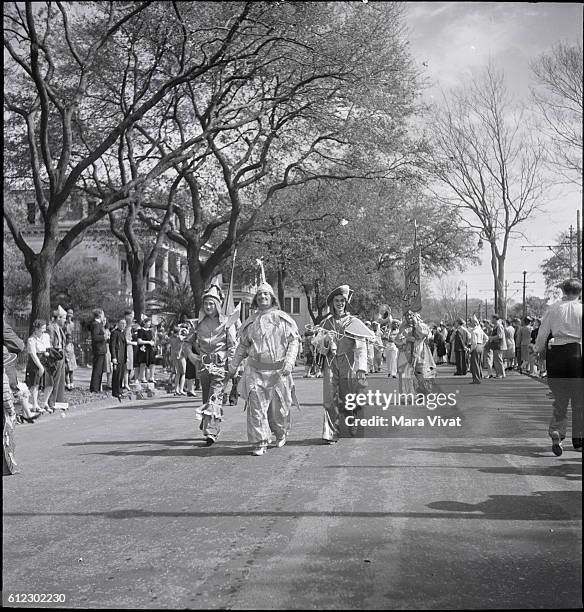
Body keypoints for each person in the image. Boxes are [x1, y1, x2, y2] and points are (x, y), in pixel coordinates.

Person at [227, 280, 300, 455]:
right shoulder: (250, 322)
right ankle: (260, 442)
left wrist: (289, 362)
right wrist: (233, 366)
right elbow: (242, 346)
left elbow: (293, 341)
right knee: (256, 407)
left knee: (278, 410)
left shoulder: (283, 319)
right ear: (255, 300)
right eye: (259, 295)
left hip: (278, 372)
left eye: (266, 294)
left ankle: (280, 432)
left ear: (272, 298)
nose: (262, 297)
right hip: (255, 372)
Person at [312, 285, 367, 444]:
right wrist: (326, 340)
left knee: (348, 396)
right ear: (332, 303)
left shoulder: (353, 322)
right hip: (331, 362)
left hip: (348, 363)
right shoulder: (325, 323)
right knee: (330, 398)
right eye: (337, 300)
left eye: (342, 300)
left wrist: (361, 368)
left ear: (346, 302)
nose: (340, 303)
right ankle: (331, 432)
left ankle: (352, 418)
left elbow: (361, 346)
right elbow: (318, 348)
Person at [535, 278, 582, 455]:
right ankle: (578, 440)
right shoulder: (581, 309)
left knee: (560, 399)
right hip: (577, 353)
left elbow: (542, 333)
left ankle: (557, 432)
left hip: (557, 355)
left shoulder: (553, 308)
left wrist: (538, 349)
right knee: (579, 401)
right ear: (579, 293)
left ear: (563, 291)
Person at [194, 285, 237, 445]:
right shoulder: (198, 323)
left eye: (211, 304)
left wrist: (232, 366)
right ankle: (207, 421)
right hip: (204, 367)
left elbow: (232, 345)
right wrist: (192, 355)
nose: (208, 307)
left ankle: (211, 431)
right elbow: (186, 342)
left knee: (214, 397)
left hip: (220, 366)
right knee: (207, 397)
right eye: (206, 304)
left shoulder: (226, 322)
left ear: (217, 305)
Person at [395, 310, 436, 396]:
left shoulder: (422, 326)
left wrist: (416, 324)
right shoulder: (403, 328)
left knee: (423, 375)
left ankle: (422, 390)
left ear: (416, 316)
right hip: (407, 355)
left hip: (421, 355)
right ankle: (409, 395)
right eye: (407, 316)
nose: (409, 317)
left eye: (411, 315)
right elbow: (397, 341)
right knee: (407, 376)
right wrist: (406, 340)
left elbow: (427, 334)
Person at [47, 306, 67, 411]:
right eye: (64, 318)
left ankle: (58, 401)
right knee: (54, 380)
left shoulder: (60, 329)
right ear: (58, 317)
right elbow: (49, 343)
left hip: (61, 356)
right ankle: (51, 402)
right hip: (55, 356)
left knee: (60, 380)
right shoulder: (51, 328)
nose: (65, 320)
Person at [109, 318, 127, 400]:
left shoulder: (123, 333)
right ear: (118, 324)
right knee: (116, 375)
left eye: (124, 323)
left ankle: (120, 390)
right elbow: (112, 346)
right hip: (117, 357)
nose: (123, 325)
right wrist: (114, 357)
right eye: (122, 323)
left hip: (123, 357)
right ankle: (115, 392)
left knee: (121, 375)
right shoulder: (114, 333)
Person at [90, 308, 107, 392]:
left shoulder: (99, 324)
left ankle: (97, 387)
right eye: (103, 314)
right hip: (98, 349)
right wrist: (104, 337)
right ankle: (94, 388)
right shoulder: (96, 324)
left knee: (100, 369)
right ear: (100, 314)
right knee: (97, 369)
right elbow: (95, 337)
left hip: (102, 349)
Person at [469, 316, 488, 384]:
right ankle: (479, 376)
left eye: (470, 322)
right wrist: (483, 345)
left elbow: (474, 343)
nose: (469, 324)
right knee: (479, 363)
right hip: (480, 346)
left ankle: (476, 379)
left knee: (475, 364)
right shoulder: (480, 330)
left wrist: (470, 350)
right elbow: (486, 338)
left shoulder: (474, 331)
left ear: (474, 323)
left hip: (476, 347)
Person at [137, 317, 156, 383]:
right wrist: (148, 342)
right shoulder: (140, 330)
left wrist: (153, 343)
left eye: (150, 323)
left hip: (150, 348)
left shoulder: (150, 331)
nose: (149, 324)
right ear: (144, 323)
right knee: (143, 363)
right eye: (148, 323)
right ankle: (142, 377)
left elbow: (152, 339)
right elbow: (139, 341)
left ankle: (151, 377)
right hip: (143, 348)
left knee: (152, 362)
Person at [487, 314, 507, 379]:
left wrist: (491, 338)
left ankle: (501, 374)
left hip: (499, 345)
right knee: (496, 360)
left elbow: (500, 336)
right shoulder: (496, 326)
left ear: (495, 318)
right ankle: (499, 373)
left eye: (492, 318)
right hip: (496, 345)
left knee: (498, 360)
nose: (491, 320)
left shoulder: (499, 326)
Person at [122, 309, 136, 389]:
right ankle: (125, 383)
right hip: (127, 348)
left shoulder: (129, 328)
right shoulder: (127, 328)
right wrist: (134, 343)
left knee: (128, 367)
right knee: (126, 367)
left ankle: (126, 382)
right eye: (132, 315)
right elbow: (126, 340)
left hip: (129, 348)